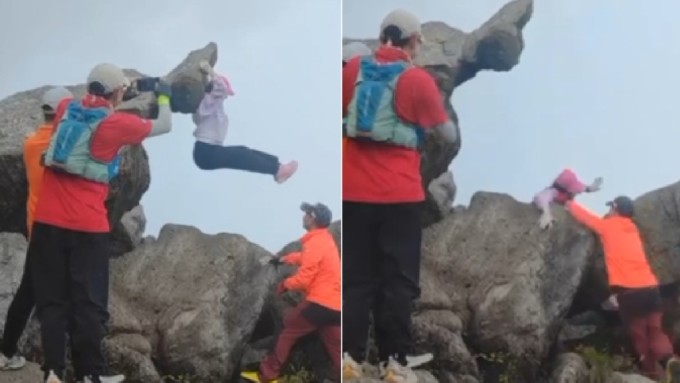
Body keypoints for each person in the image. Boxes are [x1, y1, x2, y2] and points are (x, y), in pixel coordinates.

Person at [30, 63, 174, 383]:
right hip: (88, 227)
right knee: (89, 302)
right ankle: (89, 375)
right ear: (117, 93)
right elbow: (164, 125)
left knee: (52, 298)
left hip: (47, 222)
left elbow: (88, 97)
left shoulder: (68, 108)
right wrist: (162, 96)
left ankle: (52, 372)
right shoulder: (120, 124)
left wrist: (126, 88)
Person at [341, 9, 457, 383]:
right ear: (410, 40)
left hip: (353, 192)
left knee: (357, 279)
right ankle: (395, 364)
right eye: (419, 41)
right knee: (398, 281)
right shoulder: (416, 80)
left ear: (382, 36)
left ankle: (349, 359)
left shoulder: (352, 71)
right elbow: (447, 135)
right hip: (400, 196)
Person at [566, 196, 680, 381]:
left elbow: (586, 217)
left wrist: (568, 202)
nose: (609, 211)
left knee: (640, 337)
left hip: (629, 293)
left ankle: (654, 376)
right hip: (651, 289)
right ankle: (669, 361)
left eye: (611, 207)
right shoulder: (632, 229)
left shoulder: (608, 226)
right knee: (655, 331)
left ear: (616, 209)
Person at [0, 86, 72, 372]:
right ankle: (57, 369)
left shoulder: (31, 143)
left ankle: (7, 350)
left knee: (29, 292)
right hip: (60, 228)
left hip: (37, 228)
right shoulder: (61, 145)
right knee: (57, 299)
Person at [241, 202, 341, 383]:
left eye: (306, 214)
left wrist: (285, 285)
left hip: (318, 303)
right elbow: (305, 258)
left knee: (287, 329)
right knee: (336, 349)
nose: (303, 216)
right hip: (334, 308)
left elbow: (304, 278)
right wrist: (283, 259)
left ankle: (267, 376)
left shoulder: (315, 242)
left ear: (313, 219)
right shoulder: (325, 240)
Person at [191, 60, 298, 183]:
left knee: (243, 152)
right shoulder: (206, 104)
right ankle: (277, 169)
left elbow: (222, 89)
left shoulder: (210, 105)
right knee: (241, 156)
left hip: (206, 151)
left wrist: (208, 75)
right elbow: (221, 87)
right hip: (206, 152)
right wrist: (210, 71)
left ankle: (278, 168)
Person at [533, 168, 602, 229]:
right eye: (574, 191)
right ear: (566, 190)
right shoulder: (554, 192)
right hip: (555, 210)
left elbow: (584, 188)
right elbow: (540, 198)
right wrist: (546, 213)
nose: (576, 193)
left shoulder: (570, 191)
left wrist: (590, 188)